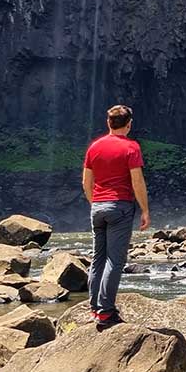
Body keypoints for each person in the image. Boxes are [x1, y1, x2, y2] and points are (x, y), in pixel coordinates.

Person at [81, 104, 150, 329]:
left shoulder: (94, 147)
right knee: (115, 260)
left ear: (108, 123)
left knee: (98, 258)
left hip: (98, 207)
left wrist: (96, 203)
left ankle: (94, 307)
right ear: (129, 124)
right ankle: (106, 311)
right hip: (120, 206)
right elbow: (136, 181)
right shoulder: (131, 147)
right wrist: (145, 209)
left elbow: (86, 182)